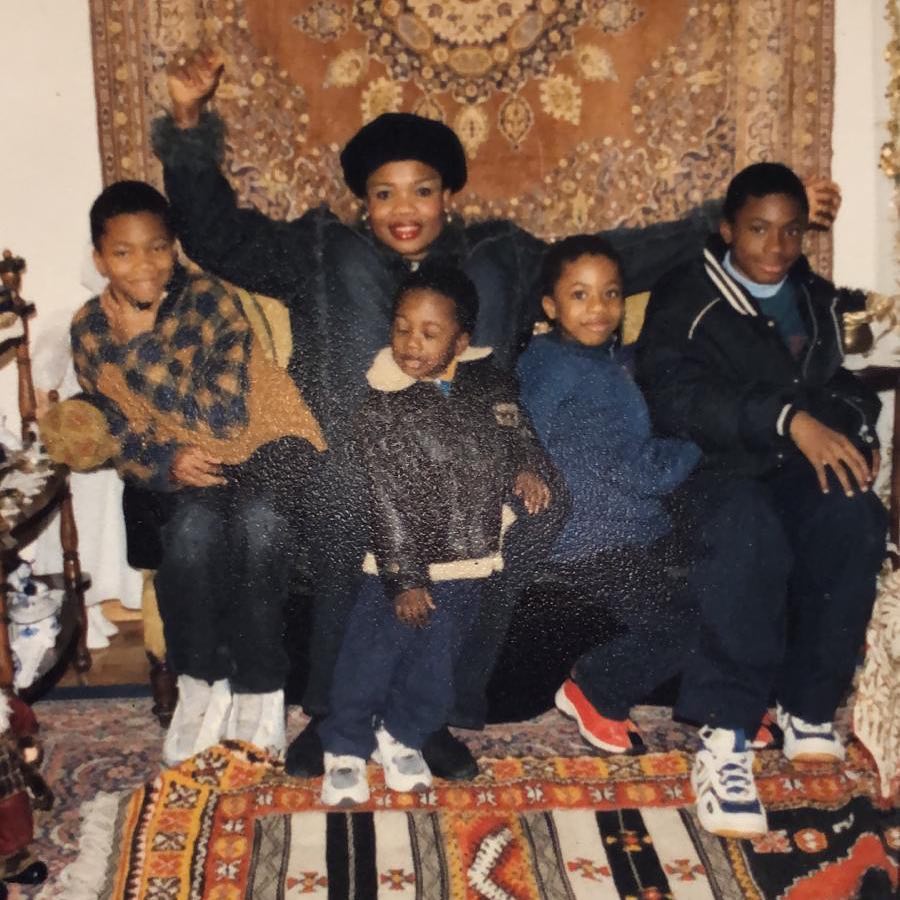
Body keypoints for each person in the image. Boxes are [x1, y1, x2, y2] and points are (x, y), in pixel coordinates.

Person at [153, 49, 841, 781]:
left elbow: (617, 259)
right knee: (347, 495)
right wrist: (190, 122)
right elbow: (216, 234)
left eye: (421, 191)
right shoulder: (323, 250)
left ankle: (435, 711)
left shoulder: (501, 255)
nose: (404, 210)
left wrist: (731, 222)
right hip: (357, 455)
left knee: (526, 512)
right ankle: (333, 713)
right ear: (364, 203)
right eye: (385, 195)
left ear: (448, 196)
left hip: (472, 461)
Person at [635, 162, 887, 838]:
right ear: (726, 229)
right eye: (757, 230)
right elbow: (676, 399)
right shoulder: (687, 296)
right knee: (750, 532)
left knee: (855, 512)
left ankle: (808, 705)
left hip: (787, 466)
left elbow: (847, 385)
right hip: (705, 469)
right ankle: (726, 736)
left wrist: (855, 431)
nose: (775, 249)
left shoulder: (814, 296)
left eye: (790, 232)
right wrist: (785, 418)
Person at [70, 181, 326, 766]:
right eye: (124, 252)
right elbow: (111, 426)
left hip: (262, 447)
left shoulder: (209, 301)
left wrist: (140, 350)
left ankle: (262, 691)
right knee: (192, 535)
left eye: (157, 248)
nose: (143, 265)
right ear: (100, 259)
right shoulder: (88, 329)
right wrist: (166, 460)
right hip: (185, 473)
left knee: (262, 527)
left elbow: (222, 413)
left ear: (175, 246)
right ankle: (200, 687)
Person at [316, 263, 552, 805]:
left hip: (471, 555)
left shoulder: (490, 380)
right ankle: (346, 745)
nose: (411, 344)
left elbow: (518, 432)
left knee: (437, 660)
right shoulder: (381, 399)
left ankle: (402, 733)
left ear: (461, 340)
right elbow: (386, 496)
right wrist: (405, 578)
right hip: (402, 561)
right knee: (372, 654)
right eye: (401, 328)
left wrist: (525, 468)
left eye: (429, 332)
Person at [516, 235, 702, 754]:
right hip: (588, 537)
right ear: (550, 307)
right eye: (580, 295)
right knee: (677, 624)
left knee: (720, 587)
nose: (598, 309)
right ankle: (595, 687)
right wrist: (695, 448)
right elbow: (631, 468)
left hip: (621, 523)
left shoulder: (589, 361)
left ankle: (719, 701)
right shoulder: (557, 367)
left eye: (611, 294)